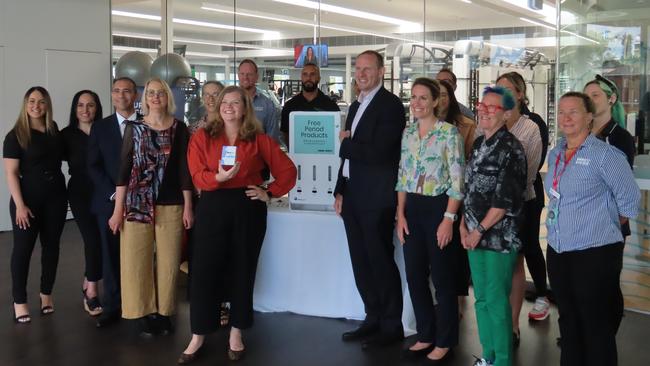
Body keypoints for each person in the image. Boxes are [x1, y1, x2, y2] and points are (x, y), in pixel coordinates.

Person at [179, 86, 296, 363]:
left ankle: (236, 332)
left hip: (247, 208)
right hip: (212, 206)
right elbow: (196, 174)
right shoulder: (202, 137)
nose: (229, 107)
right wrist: (216, 179)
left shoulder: (259, 140)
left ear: (245, 108)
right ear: (218, 106)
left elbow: (288, 171)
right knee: (204, 270)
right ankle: (198, 334)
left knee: (242, 269)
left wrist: (269, 191)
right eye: (224, 102)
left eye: (235, 102)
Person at [545, 92, 639, 366]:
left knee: (595, 321)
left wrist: (601, 223)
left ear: (589, 117)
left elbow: (629, 201)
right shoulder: (556, 154)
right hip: (559, 250)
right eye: (561, 112)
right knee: (568, 318)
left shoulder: (606, 155)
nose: (566, 118)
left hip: (596, 253)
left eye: (573, 112)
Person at [108, 77, 193, 336]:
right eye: (151, 93)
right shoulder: (134, 128)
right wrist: (117, 210)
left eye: (161, 93)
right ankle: (142, 311)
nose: (156, 97)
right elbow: (123, 171)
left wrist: (189, 206)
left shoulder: (180, 128)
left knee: (168, 262)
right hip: (136, 204)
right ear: (144, 99)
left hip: (171, 203)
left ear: (168, 98)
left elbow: (184, 170)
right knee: (136, 260)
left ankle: (164, 312)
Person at [334, 50, 406, 349]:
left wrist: (347, 144)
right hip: (352, 195)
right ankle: (372, 317)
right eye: (358, 69)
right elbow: (349, 157)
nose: (361, 74)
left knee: (380, 261)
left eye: (367, 69)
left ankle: (391, 326)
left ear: (381, 71)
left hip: (376, 198)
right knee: (361, 262)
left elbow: (380, 154)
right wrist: (339, 189)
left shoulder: (390, 106)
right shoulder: (356, 104)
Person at [396, 78, 464, 363]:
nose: (417, 103)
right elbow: (402, 176)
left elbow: (459, 181)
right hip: (412, 209)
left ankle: (445, 339)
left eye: (424, 98)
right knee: (414, 275)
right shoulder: (408, 133)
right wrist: (400, 214)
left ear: (436, 101)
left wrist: (448, 219)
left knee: (443, 278)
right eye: (413, 98)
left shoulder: (449, 134)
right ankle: (425, 333)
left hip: (439, 209)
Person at [461, 86, 526, 366]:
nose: (485, 110)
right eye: (482, 105)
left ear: (507, 114)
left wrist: (476, 231)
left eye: (493, 107)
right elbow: (469, 190)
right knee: (482, 300)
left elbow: (502, 203)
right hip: (473, 236)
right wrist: (464, 228)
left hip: (498, 239)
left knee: (498, 303)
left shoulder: (512, 149)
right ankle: (487, 357)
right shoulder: (478, 144)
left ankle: (501, 360)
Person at [3, 86, 67, 324]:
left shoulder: (53, 130)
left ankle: (46, 295)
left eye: (41, 101)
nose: (36, 106)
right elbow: (11, 173)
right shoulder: (16, 135)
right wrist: (20, 205)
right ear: (25, 104)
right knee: (23, 251)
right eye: (32, 101)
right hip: (27, 201)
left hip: (56, 199)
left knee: (52, 248)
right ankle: (19, 301)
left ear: (47, 104)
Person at [495, 72, 544, 346]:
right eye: (499, 88)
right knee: (495, 266)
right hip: (491, 210)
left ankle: (513, 325)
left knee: (515, 262)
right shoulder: (488, 123)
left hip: (520, 205)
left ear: (520, 94)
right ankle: (497, 322)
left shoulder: (530, 128)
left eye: (509, 89)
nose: (503, 93)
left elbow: (530, 171)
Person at [88, 77, 139, 328]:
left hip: (142, 203)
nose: (121, 95)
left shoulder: (146, 124)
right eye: (116, 91)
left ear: (136, 95)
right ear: (111, 95)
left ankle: (140, 307)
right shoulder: (100, 127)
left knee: (139, 256)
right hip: (108, 204)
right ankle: (112, 306)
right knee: (110, 256)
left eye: (127, 91)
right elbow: (93, 166)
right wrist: (115, 195)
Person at [61, 90, 104, 317]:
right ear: (74, 108)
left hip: (104, 193)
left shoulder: (104, 130)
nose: (85, 110)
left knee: (102, 240)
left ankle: (89, 279)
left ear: (97, 108)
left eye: (90, 105)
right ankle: (92, 291)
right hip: (79, 194)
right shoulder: (65, 135)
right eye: (80, 105)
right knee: (92, 239)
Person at [437, 79, 475, 315]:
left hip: (458, 194)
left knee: (456, 253)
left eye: (444, 94)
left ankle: (458, 298)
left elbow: (469, 161)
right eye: (436, 94)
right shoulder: (421, 125)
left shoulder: (466, 125)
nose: (440, 99)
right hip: (432, 195)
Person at [280, 63, 340, 148]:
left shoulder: (331, 106)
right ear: (301, 78)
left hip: (324, 157)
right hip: (298, 158)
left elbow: (336, 134)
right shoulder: (290, 106)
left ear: (319, 78)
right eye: (305, 74)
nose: (308, 78)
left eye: (312, 74)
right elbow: (285, 133)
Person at [237, 59, 279, 142]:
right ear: (238, 75)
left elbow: (272, 138)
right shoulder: (227, 102)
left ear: (257, 77)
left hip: (258, 153)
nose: (245, 77)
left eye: (249, 74)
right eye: (242, 74)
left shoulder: (268, 105)